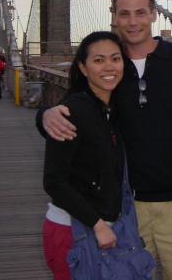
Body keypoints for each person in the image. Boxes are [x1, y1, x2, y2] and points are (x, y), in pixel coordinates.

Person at [41, 0, 172, 280]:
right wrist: (44, 115)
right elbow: (77, 106)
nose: (132, 22)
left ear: (154, 14)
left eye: (140, 12)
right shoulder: (111, 67)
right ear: (114, 17)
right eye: (124, 14)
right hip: (125, 209)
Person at [42, 31, 137, 280]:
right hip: (74, 231)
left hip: (107, 228)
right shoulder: (70, 112)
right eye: (98, 60)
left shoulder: (112, 110)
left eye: (115, 59)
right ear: (83, 68)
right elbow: (54, 182)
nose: (109, 67)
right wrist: (97, 225)